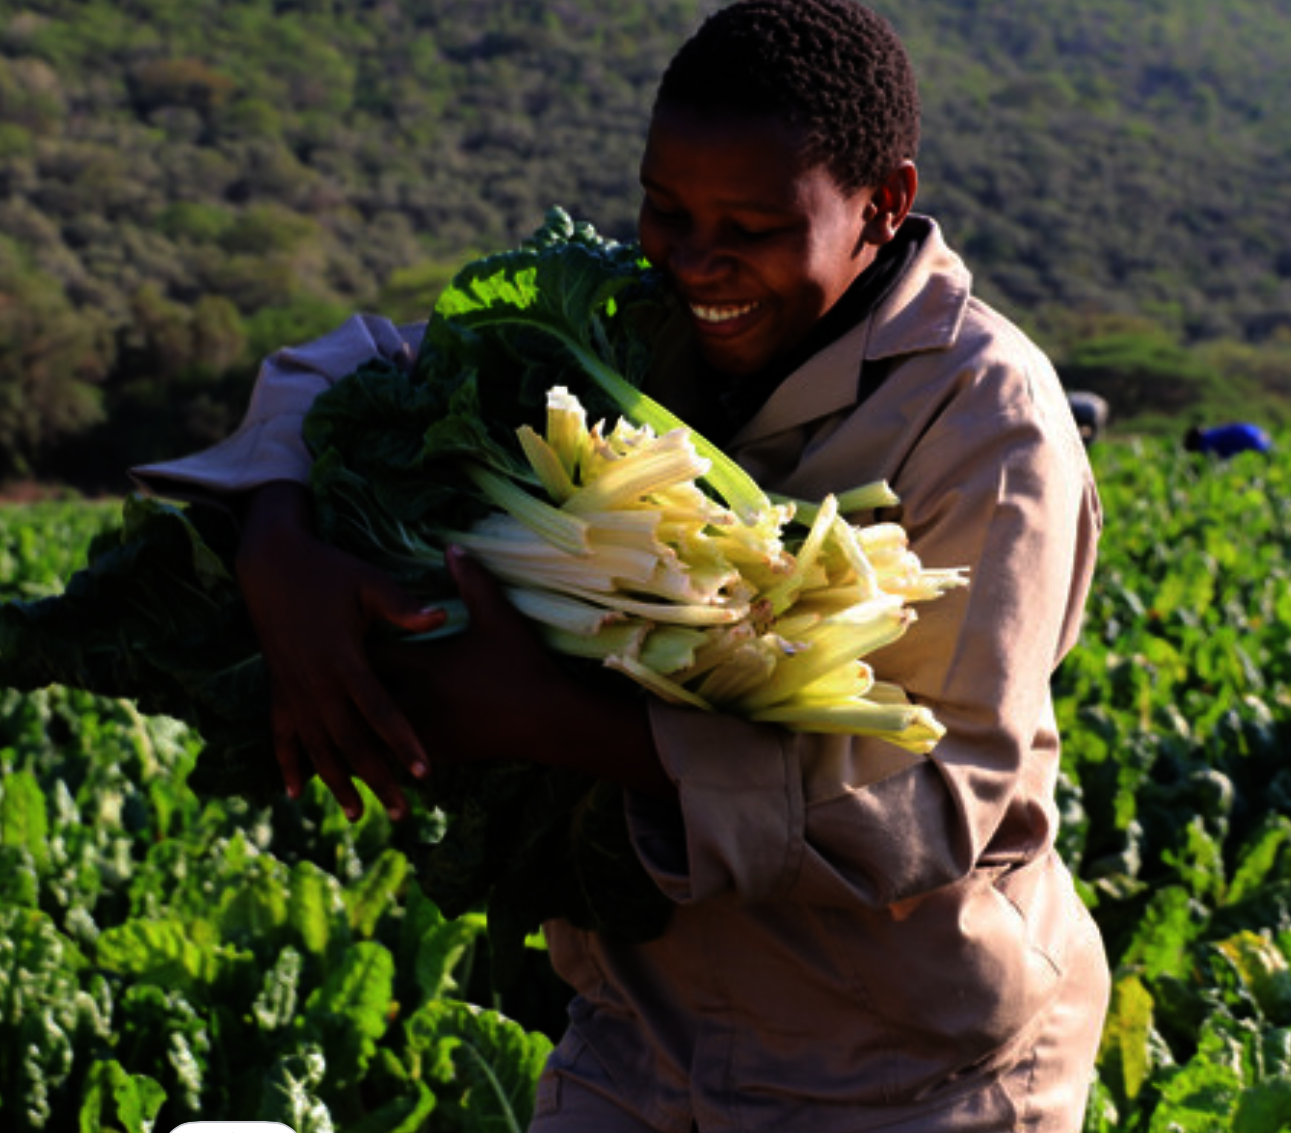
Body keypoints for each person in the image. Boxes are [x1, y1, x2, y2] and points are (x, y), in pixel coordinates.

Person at [131, 2, 1109, 1129]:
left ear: (882, 204)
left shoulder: (986, 417)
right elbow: (342, 362)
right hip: (637, 1029)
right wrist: (277, 540)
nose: (692, 261)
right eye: (664, 210)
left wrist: (556, 721)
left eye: (749, 226)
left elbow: (932, 805)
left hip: (910, 1063)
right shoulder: (617, 325)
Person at [1183, 421, 1273, 459]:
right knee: (1269, 451)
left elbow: (1219, 456)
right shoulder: (1210, 435)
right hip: (1249, 431)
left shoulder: (1205, 443)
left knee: (1265, 451)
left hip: (1246, 436)